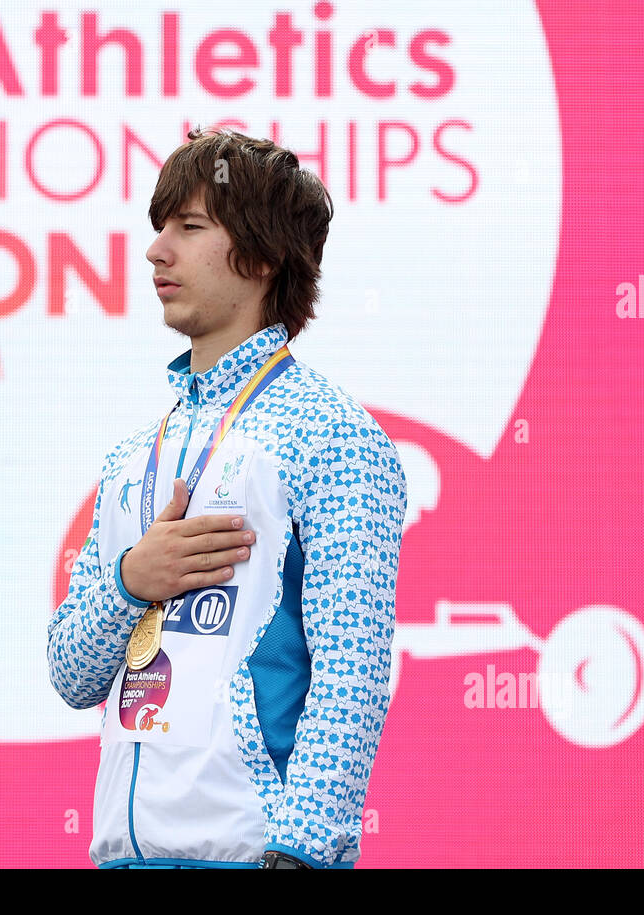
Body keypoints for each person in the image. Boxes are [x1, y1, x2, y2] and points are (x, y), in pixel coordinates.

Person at [46, 127, 407, 869]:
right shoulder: (129, 460)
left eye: (189, 227)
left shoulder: (331, 434)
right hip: (122, 855)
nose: (156, 251)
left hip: (256, 853)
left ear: (264, 254)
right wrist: (128, 584)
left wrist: (301, 852)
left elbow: (355, 664)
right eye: (158, 227)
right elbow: (70, 673)